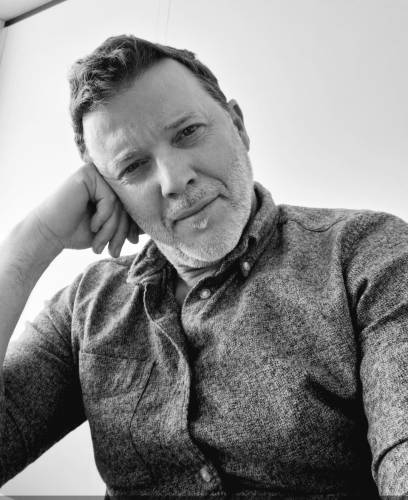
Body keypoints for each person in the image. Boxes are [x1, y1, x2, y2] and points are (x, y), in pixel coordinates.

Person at [0, 35, 407, 498]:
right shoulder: (86, 307)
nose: (175, 180)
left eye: (188, 132)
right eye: (132, 167)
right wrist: (33, 241)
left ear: (238, 125)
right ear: (110, 191)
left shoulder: (365, 253)